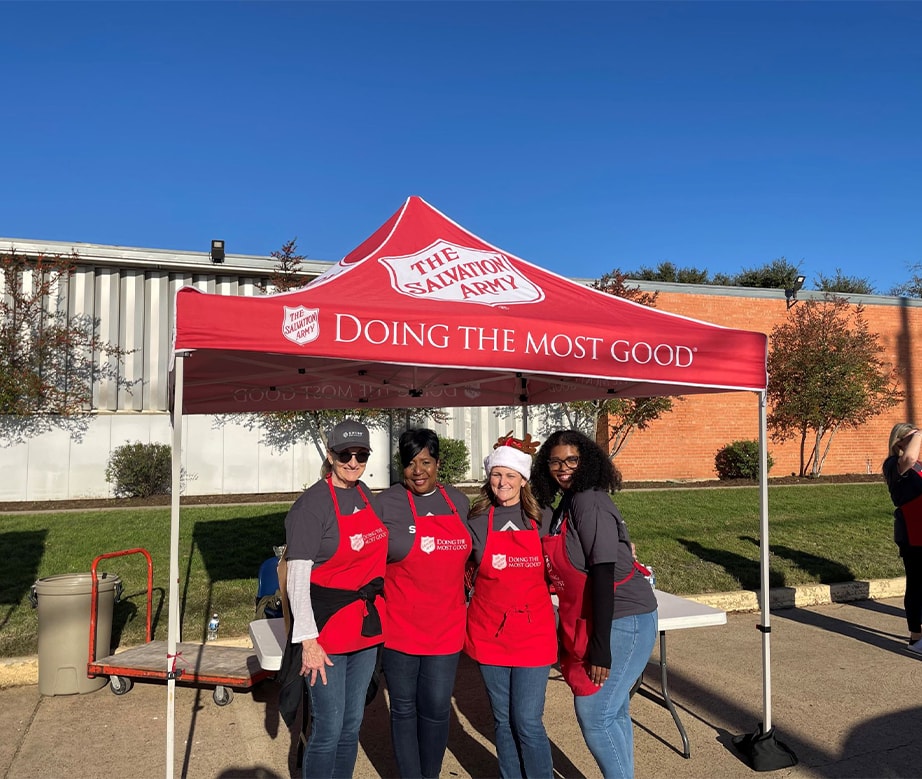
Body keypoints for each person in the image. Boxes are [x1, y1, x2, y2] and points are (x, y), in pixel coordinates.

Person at [532, 429, 657, 779]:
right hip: (594, 619)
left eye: (571, 459)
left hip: (622, 620)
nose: (563, 468)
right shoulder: (566, 504)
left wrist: (600, 650)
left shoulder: (588, 500)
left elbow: (602, 575)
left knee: (595, 713)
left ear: (587, 461)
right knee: (613, 711)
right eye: (554, 461)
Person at [283, 420, 388, 779]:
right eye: (345, 455)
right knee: (327, 727)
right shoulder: (311, 507)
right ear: (330, 455)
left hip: (363, 625)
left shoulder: (363, 493)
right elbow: (297, 578)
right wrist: (308, 641)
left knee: (352, 723)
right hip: (325, 630)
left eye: (361, 455)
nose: (354, 462)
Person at [376, 428, 472, 778]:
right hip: (400, 627)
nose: (418, 471)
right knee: (403, 708)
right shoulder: (385, 504)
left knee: (435, 709)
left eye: (426, 462)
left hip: (446, 627)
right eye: (410, 463)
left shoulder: (458, 503)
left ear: (438, 464)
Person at [464, 433, 557, 779]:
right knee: (502, 720)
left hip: (534, 634)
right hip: (490, 631)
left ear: (523, 480)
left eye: (510, 475)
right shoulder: (476, 520)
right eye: (496, 475)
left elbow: (570, 555)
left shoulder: (543, 517)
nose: (502, 482)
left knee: (528, 721)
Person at [882, 422, 922, 652]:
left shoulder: (917, 465)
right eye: (912, 435)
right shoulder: (893, 464)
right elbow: (907, 459)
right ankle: (916, 638)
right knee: (916, 583)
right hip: (912, 533)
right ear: (899, 441)